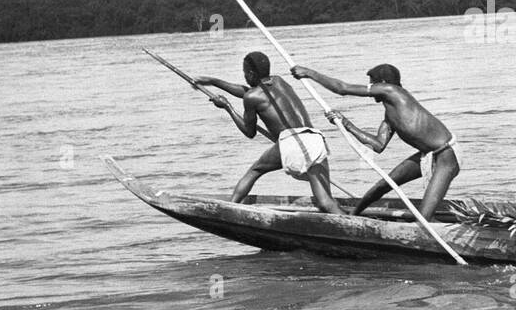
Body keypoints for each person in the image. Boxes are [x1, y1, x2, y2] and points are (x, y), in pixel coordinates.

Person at [290, 61, 459, 220]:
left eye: (372, 83)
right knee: (382, 186)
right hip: (427, 155)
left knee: (423, 220)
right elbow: (378, 145)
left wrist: (309, 73)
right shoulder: (391, 113)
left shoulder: (392, 91)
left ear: (383, 83)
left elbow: (342, 88)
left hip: (446, 156)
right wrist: (345, 123)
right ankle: (352, 216)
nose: (371, 89)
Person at [193, 52, 343, 212]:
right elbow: (248, 92)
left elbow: (249, 132)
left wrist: (227, 107)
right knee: (326, 201)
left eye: (245, 73)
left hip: (292, 141)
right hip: (314, 138)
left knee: (255, 171)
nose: (244, 77)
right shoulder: (279, 81)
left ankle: (230, 209)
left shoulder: (252, 97)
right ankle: (349, 223)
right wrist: (213, 82)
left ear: (250, 74)